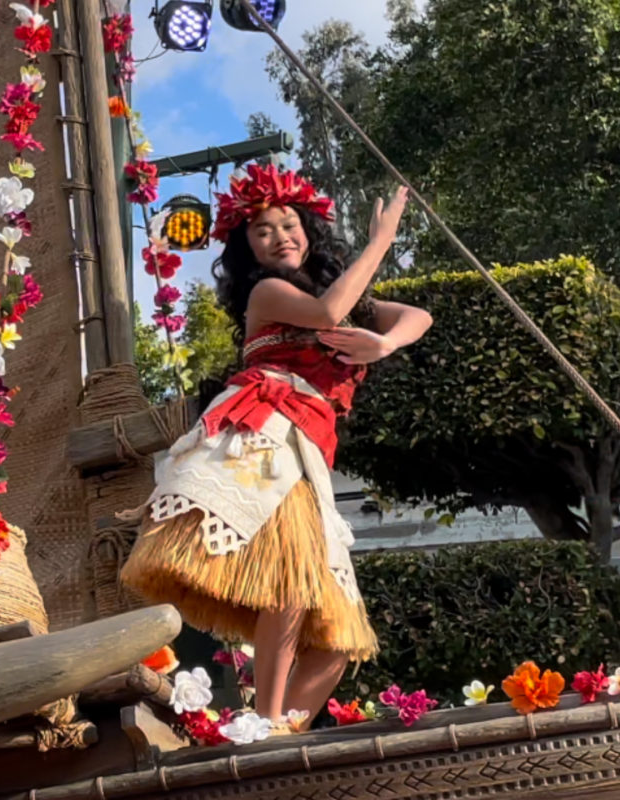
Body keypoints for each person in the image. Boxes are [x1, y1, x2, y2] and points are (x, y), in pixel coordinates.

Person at [121, 163, 432, 730]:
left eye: (289, 223)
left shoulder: (346, 301)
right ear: (248, 251)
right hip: (266, 441)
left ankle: (280, 728)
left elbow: (418, 315)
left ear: (309, 230)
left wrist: (383, 342)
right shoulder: (266, 293)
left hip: (309, 453)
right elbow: (328, 314)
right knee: (289, 585)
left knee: (337, 640)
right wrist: (382, 241)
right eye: (262, 231)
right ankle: (262, 722)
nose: (280, 235)